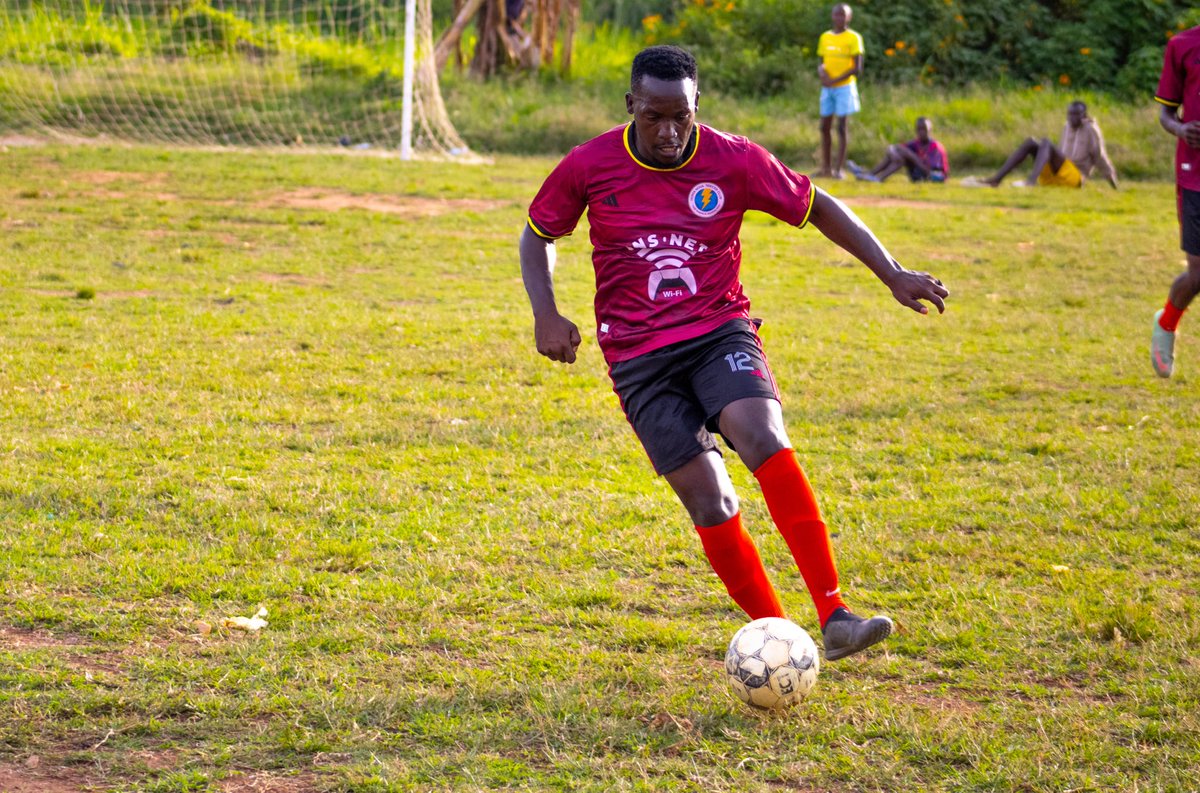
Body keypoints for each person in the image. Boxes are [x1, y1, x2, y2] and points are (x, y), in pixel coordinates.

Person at [519, 45, 948, 661]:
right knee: (712, 499)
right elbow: (538, 234)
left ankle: (835, 614)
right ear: (631, 105)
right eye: (653, 117)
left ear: (698, 104)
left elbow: (818, 206)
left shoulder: (734, 158)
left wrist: (892, 272)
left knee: (762, 436)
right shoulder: (590, 164)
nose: (668, 132)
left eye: (681, 116)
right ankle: (780, 640)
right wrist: (546, 312)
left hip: (719, 330)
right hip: (638, 359)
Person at [1150, 25, 1200, 378]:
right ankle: (1166, 323)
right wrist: (1181, 129)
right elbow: (1166, 114)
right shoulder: (1182, 45)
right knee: (1198, 274)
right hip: (1195, 175)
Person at [969, 101, 1118, 189]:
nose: (1072, 118)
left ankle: (1030, 182)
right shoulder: (1066, 126)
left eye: (1076, 114)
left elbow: (1100, 156)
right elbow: (1059, 153)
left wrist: (1112, 182)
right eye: (1070, 114)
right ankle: (996, 180)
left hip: (1075, 177)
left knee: (1046, 142)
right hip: (1057, 175)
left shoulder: (1091, 130)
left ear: (1084, 115)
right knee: (1031, 142)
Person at [816, 4, 864, 179]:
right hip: (827, 88)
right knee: (824, 127)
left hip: (844, 87)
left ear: (849, 17)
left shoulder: (854, 37)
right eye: (836, 14)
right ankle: (826, 168)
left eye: (843, 15)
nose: (839, 18)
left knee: (841, 127)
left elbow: (857, 68)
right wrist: (822, 74)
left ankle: (839, 169)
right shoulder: (825, 37)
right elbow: (821, 62)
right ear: (832, 16)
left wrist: (834, 81)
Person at [847, 116, 948, 183]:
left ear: (930, 130)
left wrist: (911, 156)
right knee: (900, 156)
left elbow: (931, 173)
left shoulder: (935, 147)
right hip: (917, 176)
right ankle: (871, 175)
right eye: (919, 129)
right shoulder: (916, 143)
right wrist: (893, 152)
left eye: (924, 129)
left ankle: (874, 176)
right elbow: (895, 148)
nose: (921, 132)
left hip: (934, 178)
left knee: (904, 153)